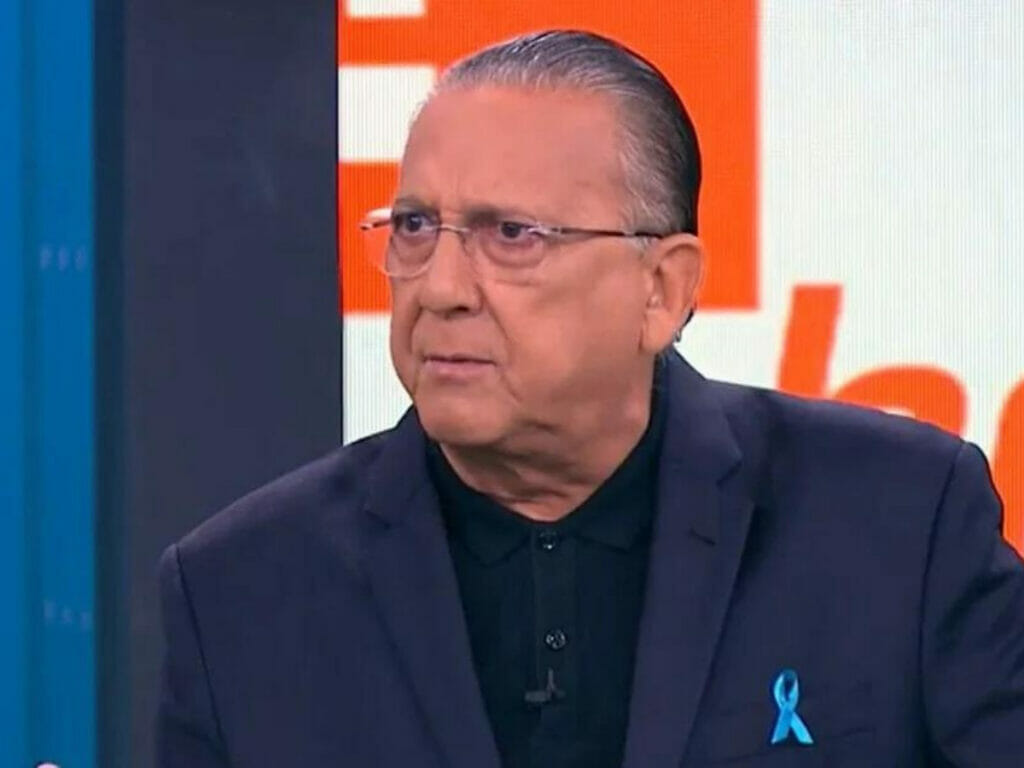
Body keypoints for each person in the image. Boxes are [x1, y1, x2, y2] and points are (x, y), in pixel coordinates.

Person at [157, 29, 1024, 767]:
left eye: (512, 234)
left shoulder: (901, 524)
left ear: (662, 289)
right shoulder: (241, 590)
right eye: (415, 227)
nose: (441, 288)